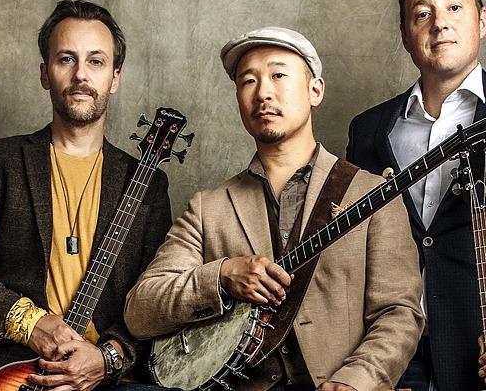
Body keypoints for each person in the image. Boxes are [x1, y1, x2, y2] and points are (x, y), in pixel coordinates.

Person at [125, 26, 424, 391]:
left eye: (279, 75)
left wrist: (356, 380)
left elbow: (399, 312)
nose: (263, 92)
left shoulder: (373, 193)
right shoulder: (209, 208)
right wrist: (220, 277)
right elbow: (140, 311)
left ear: (316, 90)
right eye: (248, 81)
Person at [0, 0, 172, 391]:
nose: (81, 74)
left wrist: (108, 358)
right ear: (46, 73)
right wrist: (32, 324)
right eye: (67, 59)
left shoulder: (147, 182)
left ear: (115, 77)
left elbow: (158, 296)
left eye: (96, 61)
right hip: (18, 374)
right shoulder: (1, 161)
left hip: (113, 382)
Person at [347, 0, 486, 391]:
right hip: (392, 362)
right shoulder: (368, 129)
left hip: (476, 357)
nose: (439, 23)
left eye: (454, 7)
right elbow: (355, 253)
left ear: (482, 21)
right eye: (422, 13)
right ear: (406, 34)